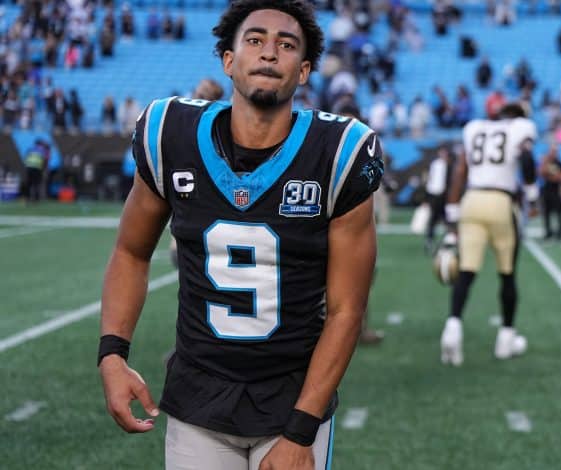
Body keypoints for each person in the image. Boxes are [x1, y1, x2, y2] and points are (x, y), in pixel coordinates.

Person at [97, 3, 383, 470]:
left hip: (292, 398)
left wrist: (300, 430)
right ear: (228, 60)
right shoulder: (171, 134)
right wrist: (112, 354)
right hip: (197, 397)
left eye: (286, 45)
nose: (269, 53)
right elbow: (130, 251)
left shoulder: (338, 154)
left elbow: (347, 309)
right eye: (255, 40)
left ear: (305, 70)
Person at [439, 103, 537, 366]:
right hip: (500, 202)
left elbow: (461, 170)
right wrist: (532, 195)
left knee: (467, 272)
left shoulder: (475, 128)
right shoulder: (521, 129)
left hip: (472, 200)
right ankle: (505, 339)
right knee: (507, 273)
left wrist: (451, 213)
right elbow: (527, 160)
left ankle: (452, 328)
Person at [424, 145, 452, 253]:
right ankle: (430, 240)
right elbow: (431, 179)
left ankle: (447, 240)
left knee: (447, 219)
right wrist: (427, 196)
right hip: (435, 194)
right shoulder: (435, 164)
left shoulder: (449, 164)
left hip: (444, 195)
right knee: (433, 219)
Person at [539, 144, 561, 241]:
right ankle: (548, 232)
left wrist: (551, 175)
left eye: (554, 152)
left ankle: (560, 233)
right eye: (551, 151)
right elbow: (541, 173)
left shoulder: (560, 163)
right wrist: (546, 165)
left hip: (557, 191)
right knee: (546, 213)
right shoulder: (546, 162)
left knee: (559, 213)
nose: (553, 153)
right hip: (547, 191)